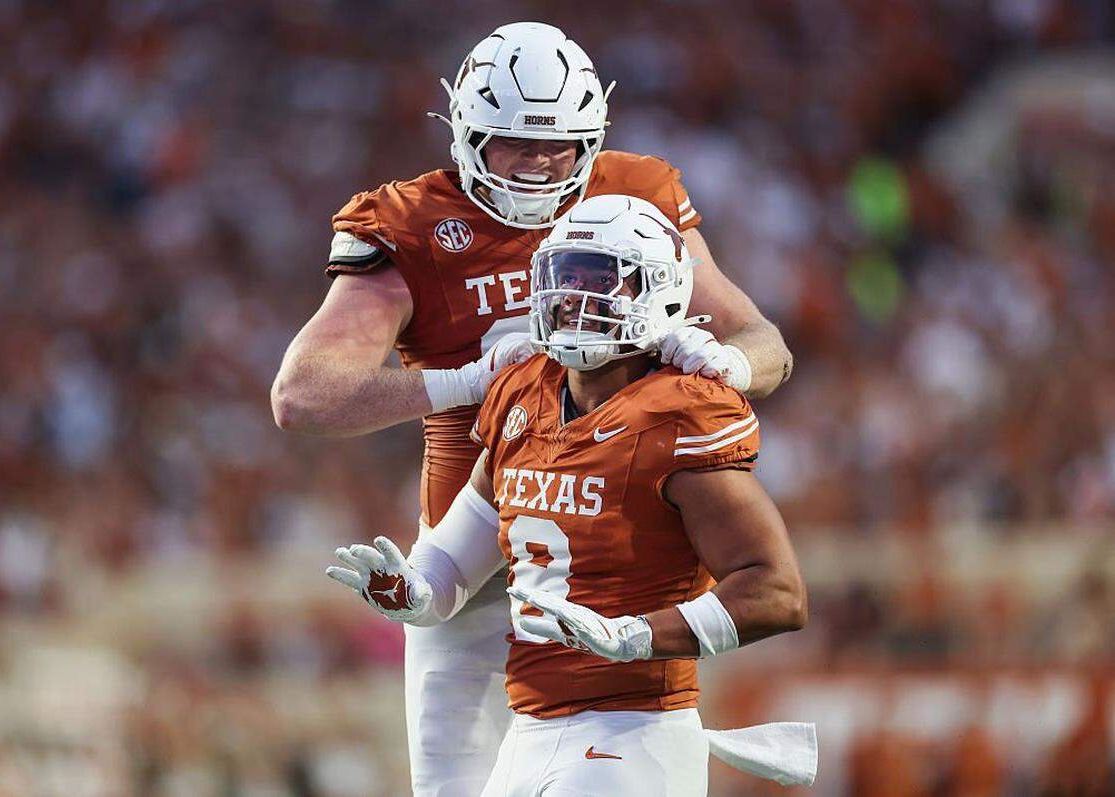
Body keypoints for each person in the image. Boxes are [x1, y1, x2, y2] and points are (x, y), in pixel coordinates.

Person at [273, 21, 794, 795]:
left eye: (560, 146)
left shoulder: (635, 194)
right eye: (516, 144)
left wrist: (726, 362)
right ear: (466, 133)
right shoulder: (416, 223)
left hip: (616, 554)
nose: (541, 165)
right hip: (475, 533)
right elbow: (303, 394)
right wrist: (462, 382)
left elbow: (765, 344)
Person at [326, 195, 812, 795]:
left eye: (599, 278)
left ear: (657, 287)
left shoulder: (679, 412)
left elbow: (778, 591)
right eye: (565, 276)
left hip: (632, 731)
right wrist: (411, 592)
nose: (574, 297)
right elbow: (455, 561)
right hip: (528, 728)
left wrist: (639, 636)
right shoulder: (522, 396)